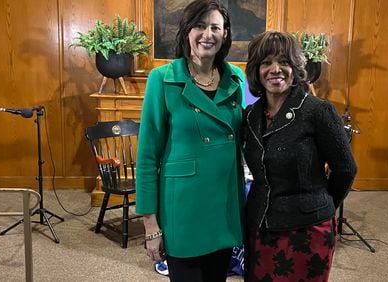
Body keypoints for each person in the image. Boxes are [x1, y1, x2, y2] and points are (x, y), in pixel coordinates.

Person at [135, 1, 246, 281]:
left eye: (215, 27)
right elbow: (148, 156)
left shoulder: (237, 78)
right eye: (199, 25)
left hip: (224, 205)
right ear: (186, 30)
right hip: (183, 211)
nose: (207, 34)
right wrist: (151, 226)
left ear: (225, 34)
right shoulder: (162, 78)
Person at [243, 31, 358, 282]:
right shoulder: (250, 115)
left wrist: (322, 205)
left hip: (307, 231)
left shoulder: (318, 111)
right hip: (260, 228)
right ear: (256, 70)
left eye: (284, 62)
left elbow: (346, 169)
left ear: (295, 67)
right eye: (266, 62)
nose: (276, 69)